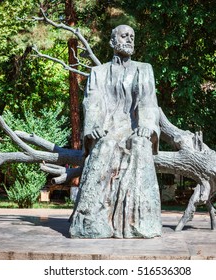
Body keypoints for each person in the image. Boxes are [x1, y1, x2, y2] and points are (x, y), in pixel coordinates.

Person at [69, 25, 161, 238]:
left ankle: (139, 222)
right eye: (124, 35)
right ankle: (91, 218)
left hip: (134, 129)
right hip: (108, 129)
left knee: (140, 146)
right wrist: (94, 128)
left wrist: (147, 127)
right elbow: (92, 103)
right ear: (112, 41)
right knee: (106, 145)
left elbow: (148, 101)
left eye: (132, 36)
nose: (129, 39)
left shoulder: (144, 68)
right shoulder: (97, 73)